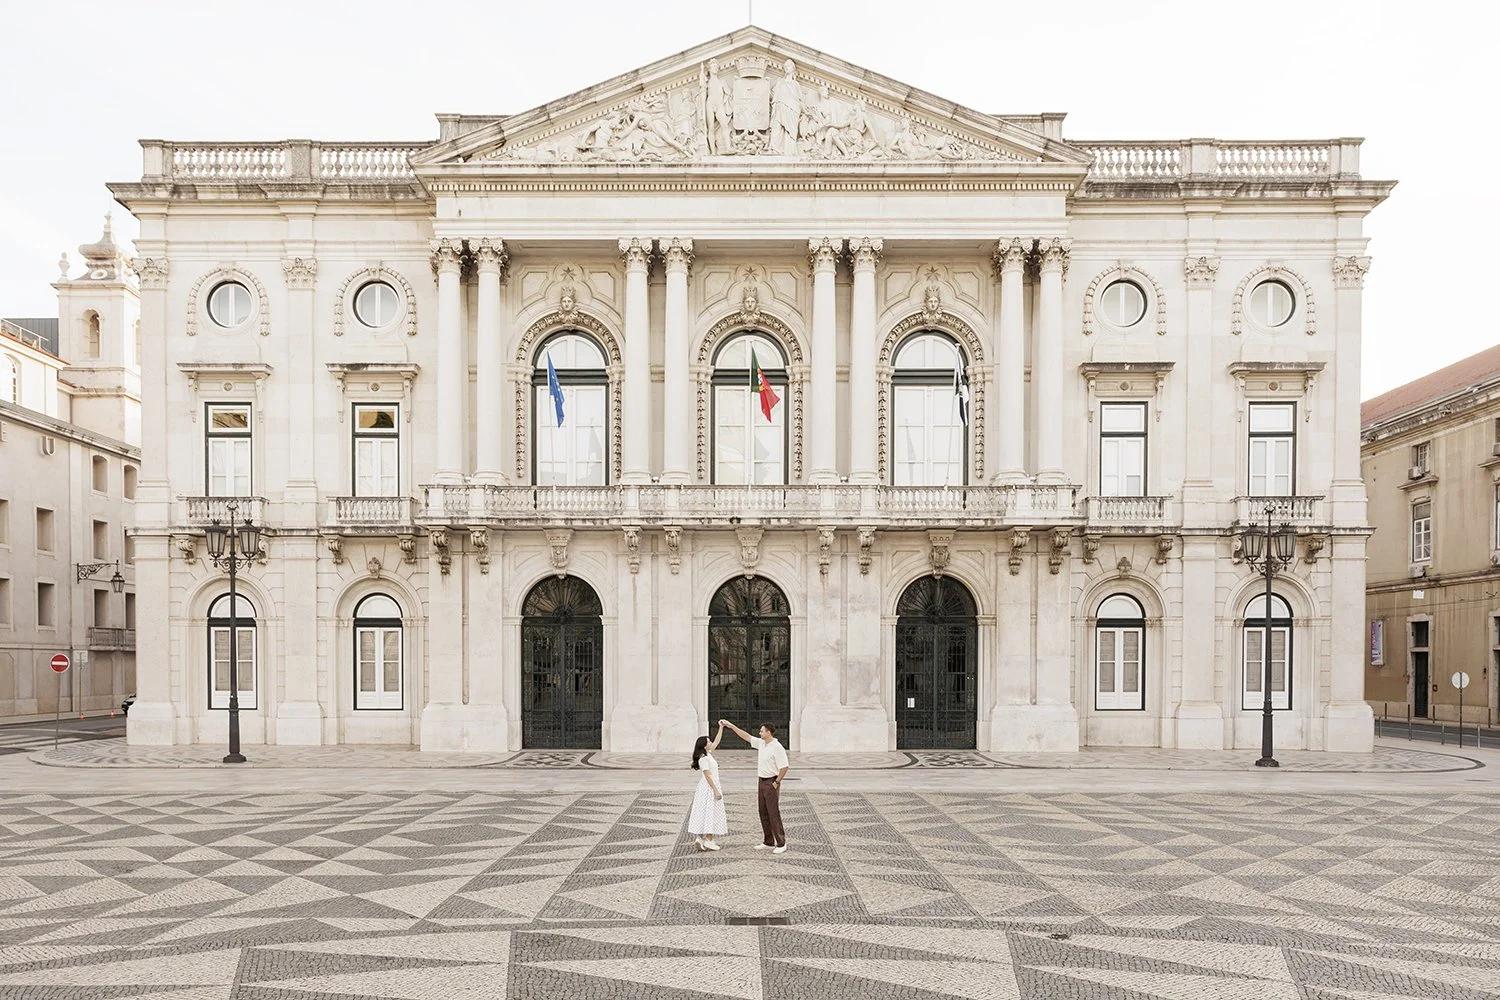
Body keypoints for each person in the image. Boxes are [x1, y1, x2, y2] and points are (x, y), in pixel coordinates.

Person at [719, 719, 789, 853]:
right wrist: (730, 726)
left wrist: (777, 782)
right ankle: (768, 841)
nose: (760, 733)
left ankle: (781, 843)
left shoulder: (777, 747)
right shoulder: (762, 743)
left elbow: (785, 767)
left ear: (768, 732)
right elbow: (745, 736)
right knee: (763, 812)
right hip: (761, 781)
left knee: (773, 812)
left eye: (762, 731)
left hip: (771, 782)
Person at [687, 724, 727, 851]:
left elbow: (716, 741)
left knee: (705, 812)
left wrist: (721, 728)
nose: (710, 742)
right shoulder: (703, 759)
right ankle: (709, 839)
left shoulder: (708, 754)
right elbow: (707, 775)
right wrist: (715, 790)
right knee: (710, 812)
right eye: (708, 741)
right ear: (704, 745)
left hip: (709, 786)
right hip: (709, 787)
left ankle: (700, 838)